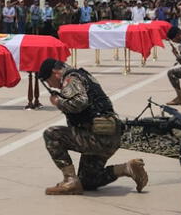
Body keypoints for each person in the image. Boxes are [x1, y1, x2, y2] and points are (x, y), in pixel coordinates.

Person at [38, 58, 148, 195]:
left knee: (51, 134)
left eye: (48, 81)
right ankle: (127, 168)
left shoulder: (70, 79)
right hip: (109, 135)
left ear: (55, 73)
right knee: (88, 181)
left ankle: (70, 180)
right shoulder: (81, 75)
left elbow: (80, 102)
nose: (52, 85)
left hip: (97, 137)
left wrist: (58, 102)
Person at [166, 27, 181, 106]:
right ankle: (180, 97)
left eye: (173, 39)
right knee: (175, 65)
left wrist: (176, 54)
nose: (174, 41)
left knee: (171, 73)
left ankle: (180, 97)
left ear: (178, 35)